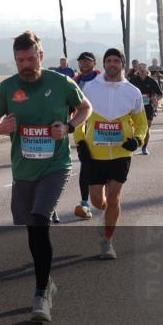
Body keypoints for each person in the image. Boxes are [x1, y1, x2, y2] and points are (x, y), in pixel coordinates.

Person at [0, 31, 91, 323]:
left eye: (31, 58)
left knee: (39, 221)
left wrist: (68, 128)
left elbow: (85, 108)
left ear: (41, 56)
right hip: (23, 169)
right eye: (20, 60)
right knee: (29, 225)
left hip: (55, 166)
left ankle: (42, 292)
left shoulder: (60, 83)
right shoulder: (8, 88)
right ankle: (47, 282)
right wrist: (0, 127)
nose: (26, 64)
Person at [73, 48, 147, 260]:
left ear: (122, 65)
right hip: (94, 154)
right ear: (104, 64)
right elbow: (79, 117)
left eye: (116, 61)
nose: (112, 64)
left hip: (121, 153)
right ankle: (105, 218)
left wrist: (138, 140)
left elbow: (141, 124)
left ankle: (107, 241)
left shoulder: (132, 91)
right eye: (109, 61)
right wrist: (80, 143)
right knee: (98, 201)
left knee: (114, 198)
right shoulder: (89, 87)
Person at [70, 51, 100, 220]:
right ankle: (84, 203)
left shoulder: (102, 80)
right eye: (81, 61)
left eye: (87, 61)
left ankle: (102, 198)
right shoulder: (74, 82)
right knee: (85, 166)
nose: (84, 64)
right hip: (82, 127)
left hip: (102, 128)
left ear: (94, 63)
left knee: (102, 167)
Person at [128, 62, 163, 154]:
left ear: (146, 70)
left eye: (143, 68)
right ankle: (133, 144)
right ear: (137, 70)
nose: (142, 70)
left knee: (146, 128)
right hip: (135, 108)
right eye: (140, 68)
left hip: (148, 107)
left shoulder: (151, 81)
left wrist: (155, 98)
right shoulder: (133, 81)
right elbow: (126, 93)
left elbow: (160, 94)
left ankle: (144, 147)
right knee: (133, 127)